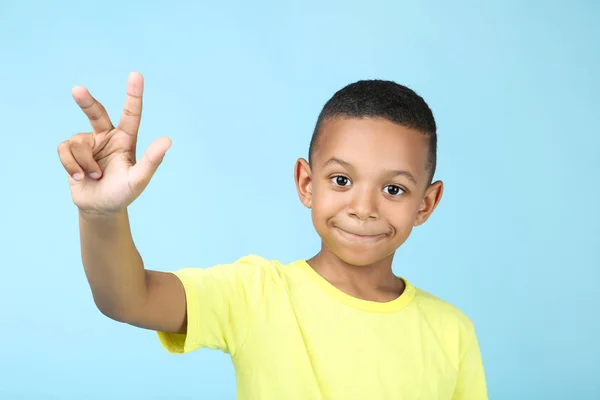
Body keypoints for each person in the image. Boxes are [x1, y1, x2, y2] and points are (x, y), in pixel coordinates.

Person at [57, 72, 488, 400]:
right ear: (306, 182)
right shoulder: (256, 293)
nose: (363, 207)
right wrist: (101, 214)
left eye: (393, 189)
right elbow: (129, 298)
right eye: (341, 180)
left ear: (426, 204)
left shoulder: (452, 331)